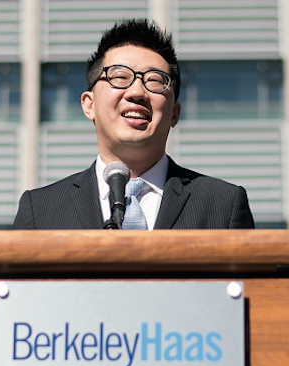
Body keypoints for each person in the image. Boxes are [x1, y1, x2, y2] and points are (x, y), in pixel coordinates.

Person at [14, 19, 254, 230]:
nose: (137, 91)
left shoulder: (224, 204)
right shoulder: (40, 210)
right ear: (89, 105)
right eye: (120, 77)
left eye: (155, 80)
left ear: (174, 113)